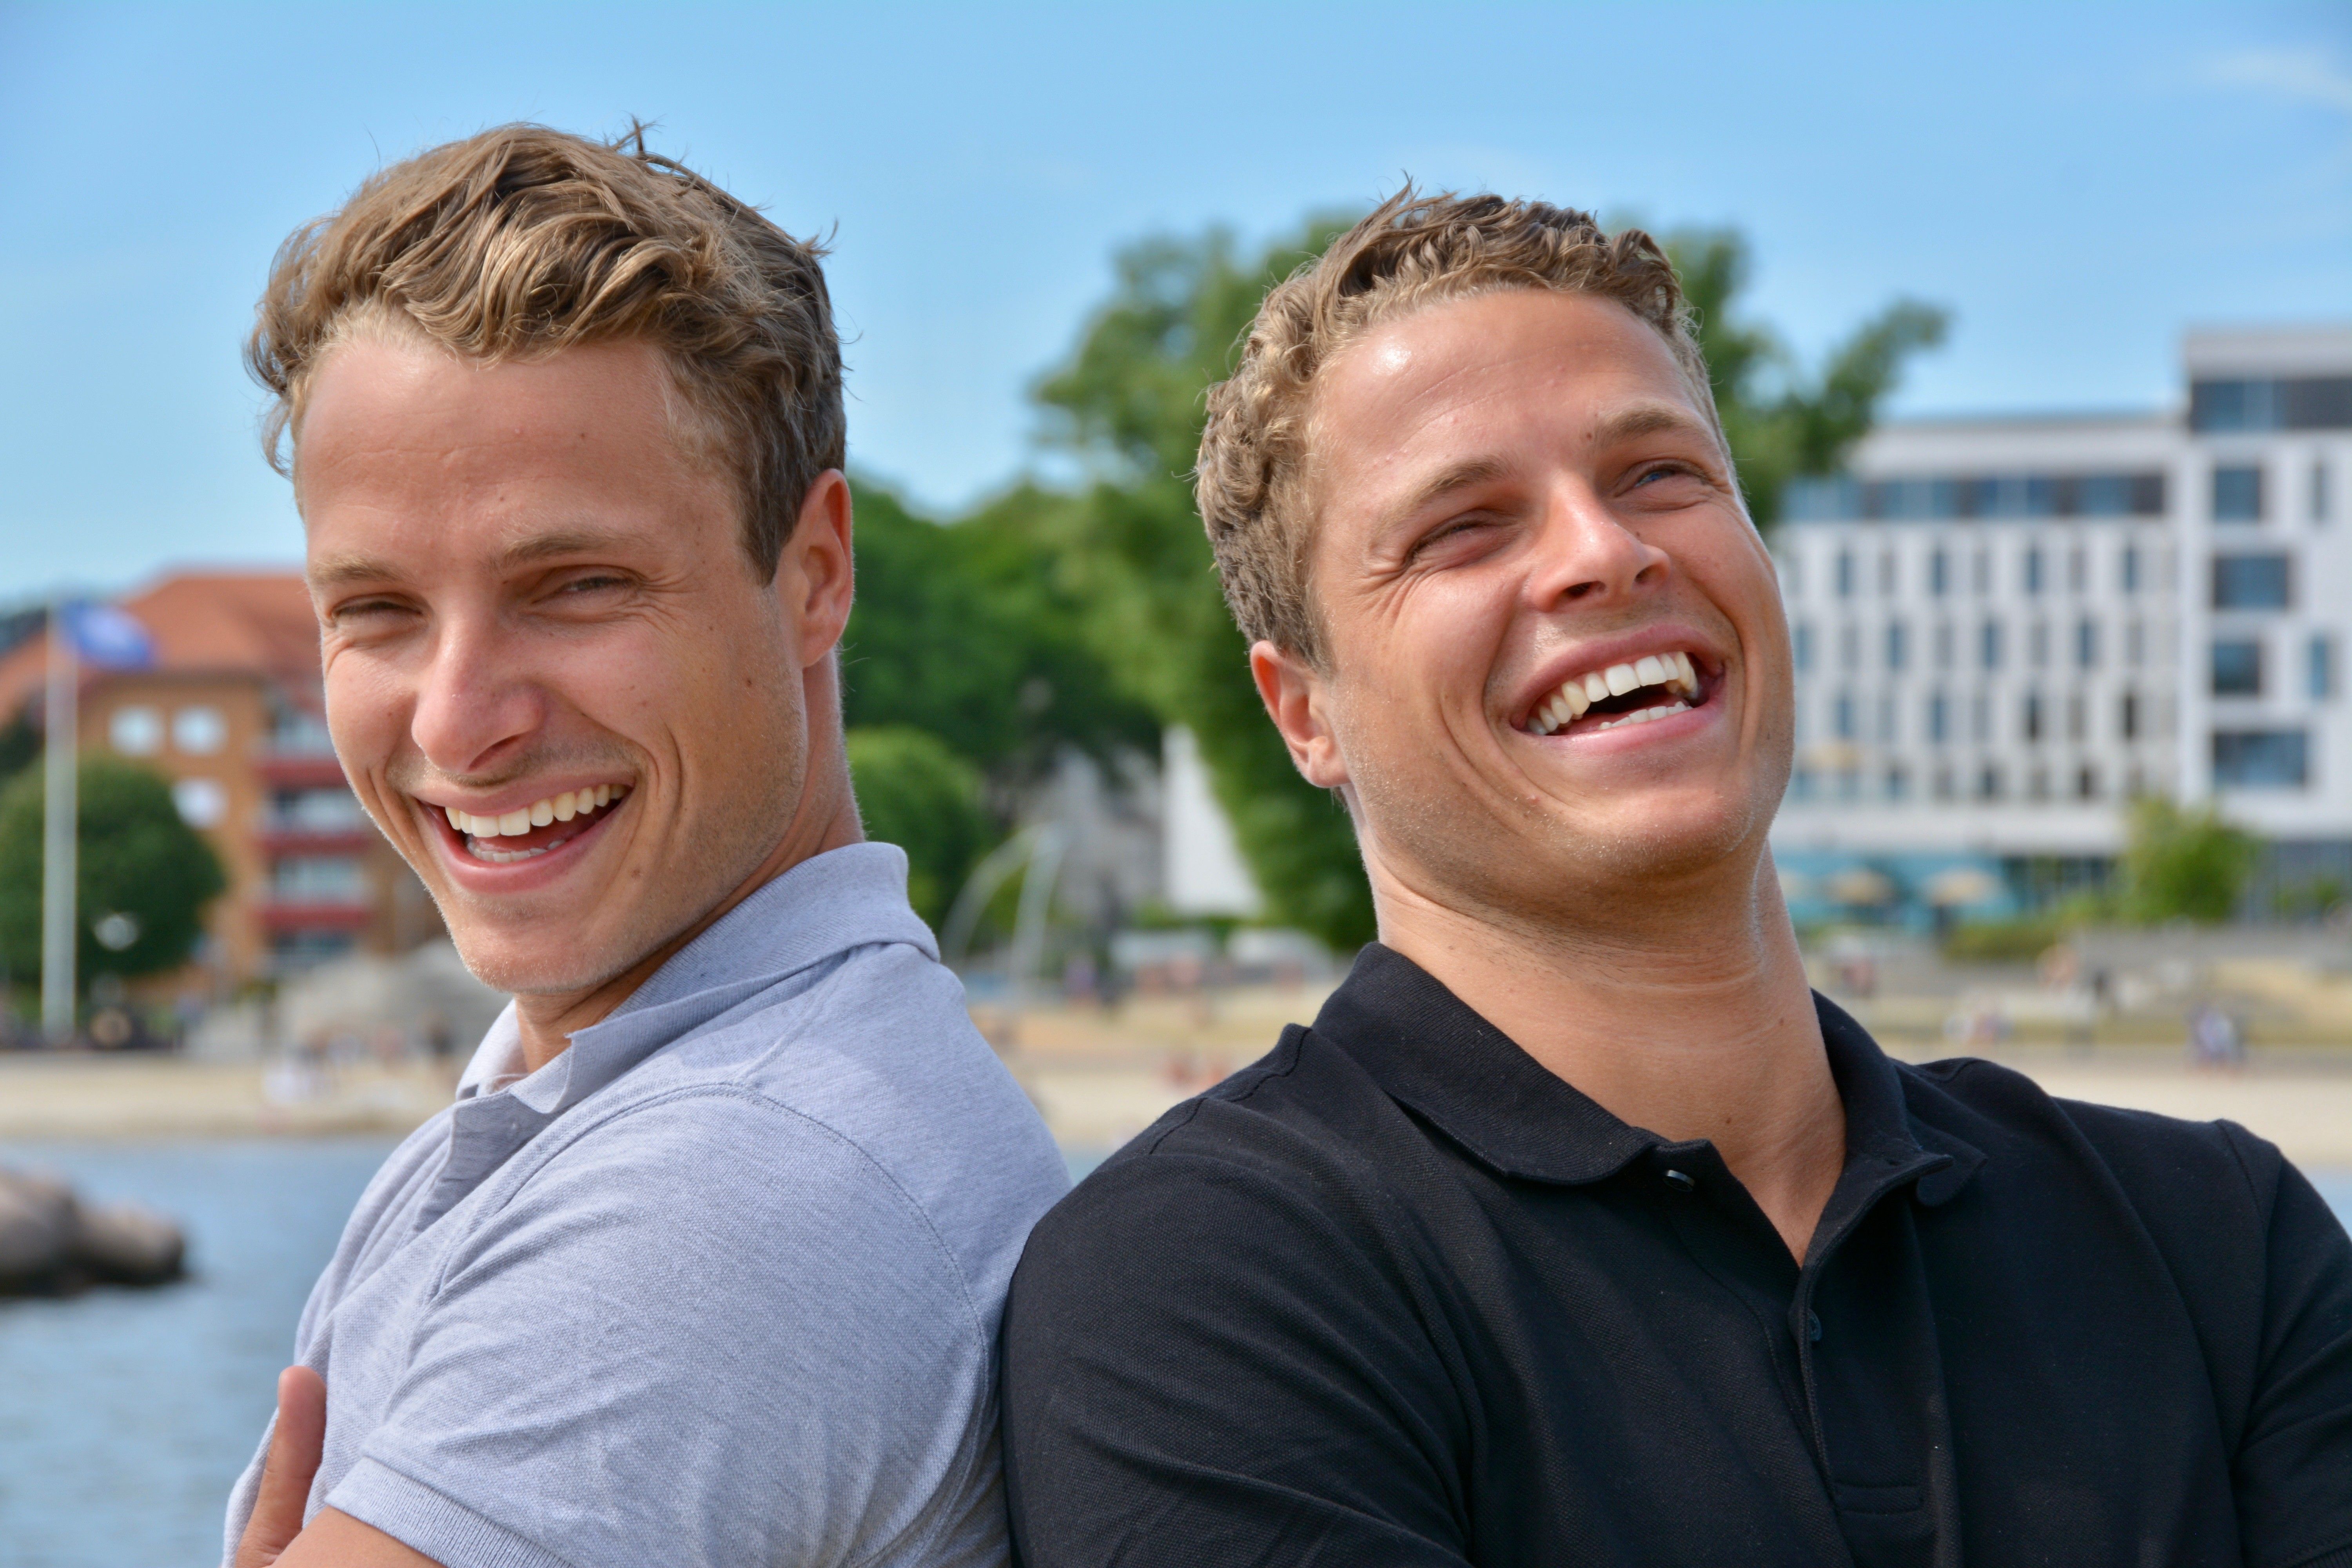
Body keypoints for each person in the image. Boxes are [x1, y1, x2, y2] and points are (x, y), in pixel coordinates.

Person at [999, 190, 2352, 1565]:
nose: (1605, 551)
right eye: (1463, 527)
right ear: (1305, 714)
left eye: (1659, 474)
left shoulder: (2219, 1243)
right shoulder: (1202, 1291)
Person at [222, 125, 1068, 1568]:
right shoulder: (626, 1101)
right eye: (377, 610)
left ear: (815, 575)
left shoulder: (733, 1188)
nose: (458, 722)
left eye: (577, 586)